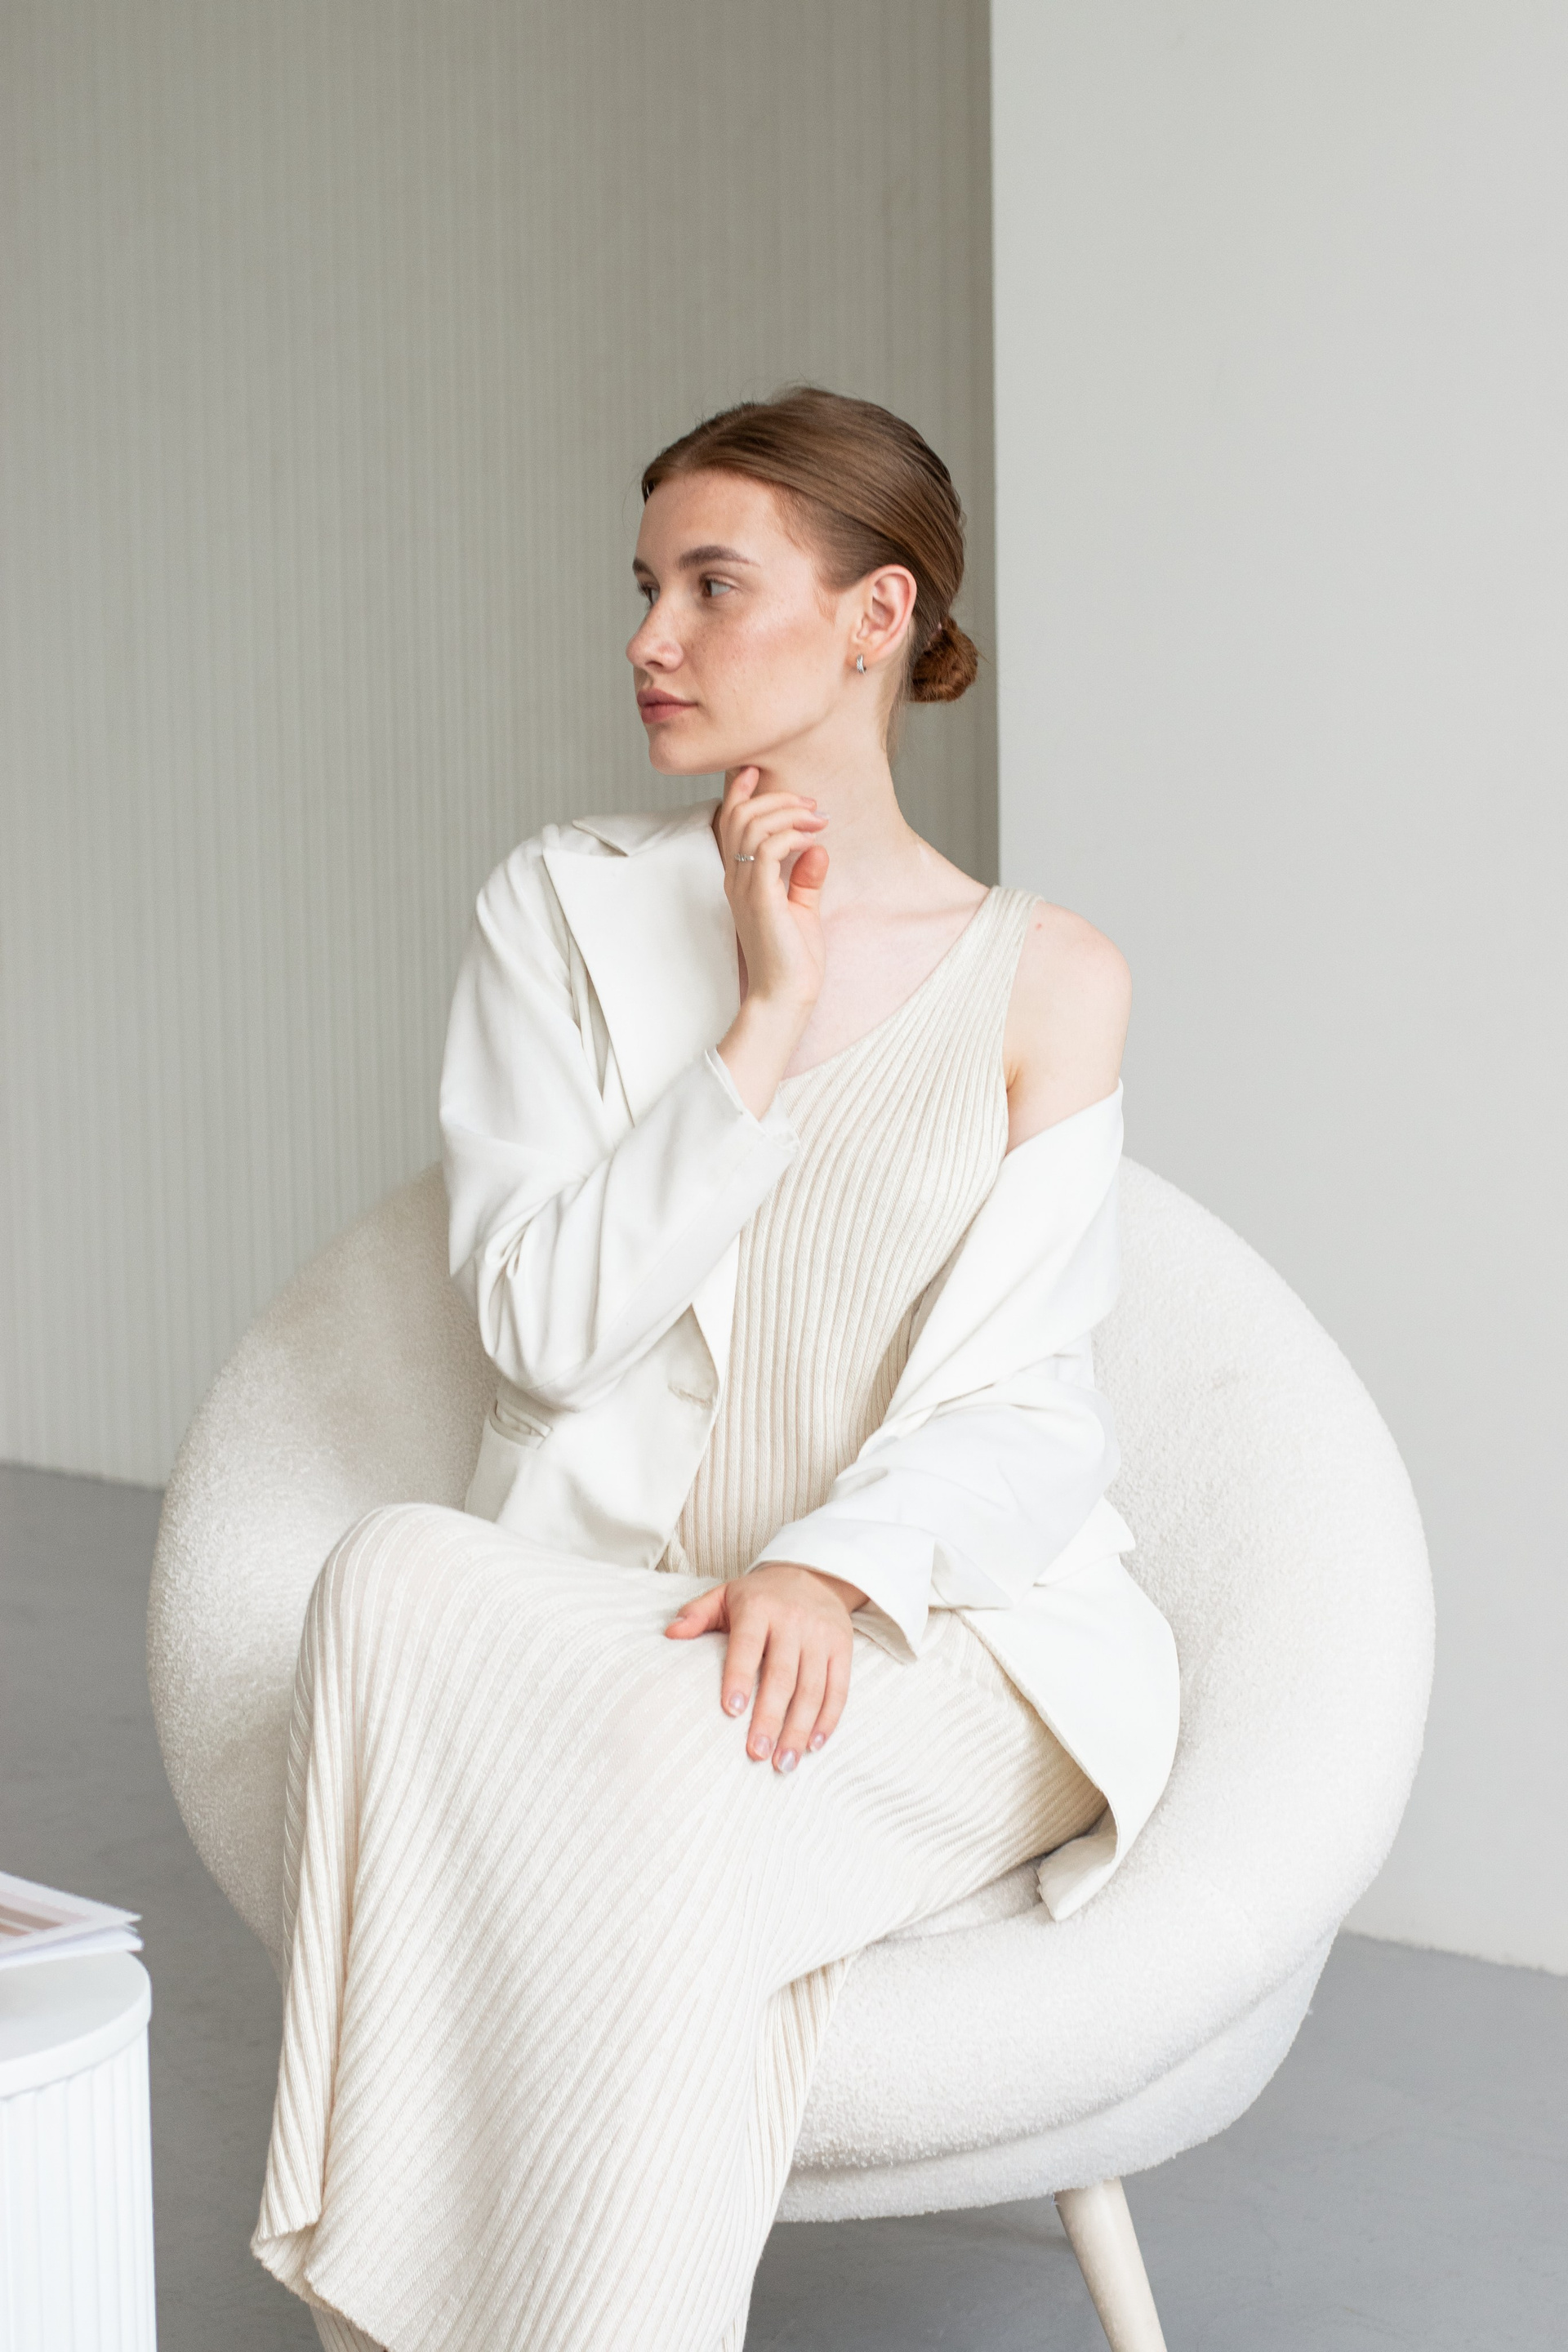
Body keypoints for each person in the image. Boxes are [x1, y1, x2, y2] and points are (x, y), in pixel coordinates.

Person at [252, 386, 1180, 2352]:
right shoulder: (562, 908)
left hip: (940, 1636)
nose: (648, 637)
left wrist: (832, 1566)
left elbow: (1027, 1403)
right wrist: (760, 1025)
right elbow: (539, 1328)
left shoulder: (1051, 975)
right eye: (645, 586)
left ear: (875, 616)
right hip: (642, 1614)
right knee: (393, 1574)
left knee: (660, 1779)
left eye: (711, 586)